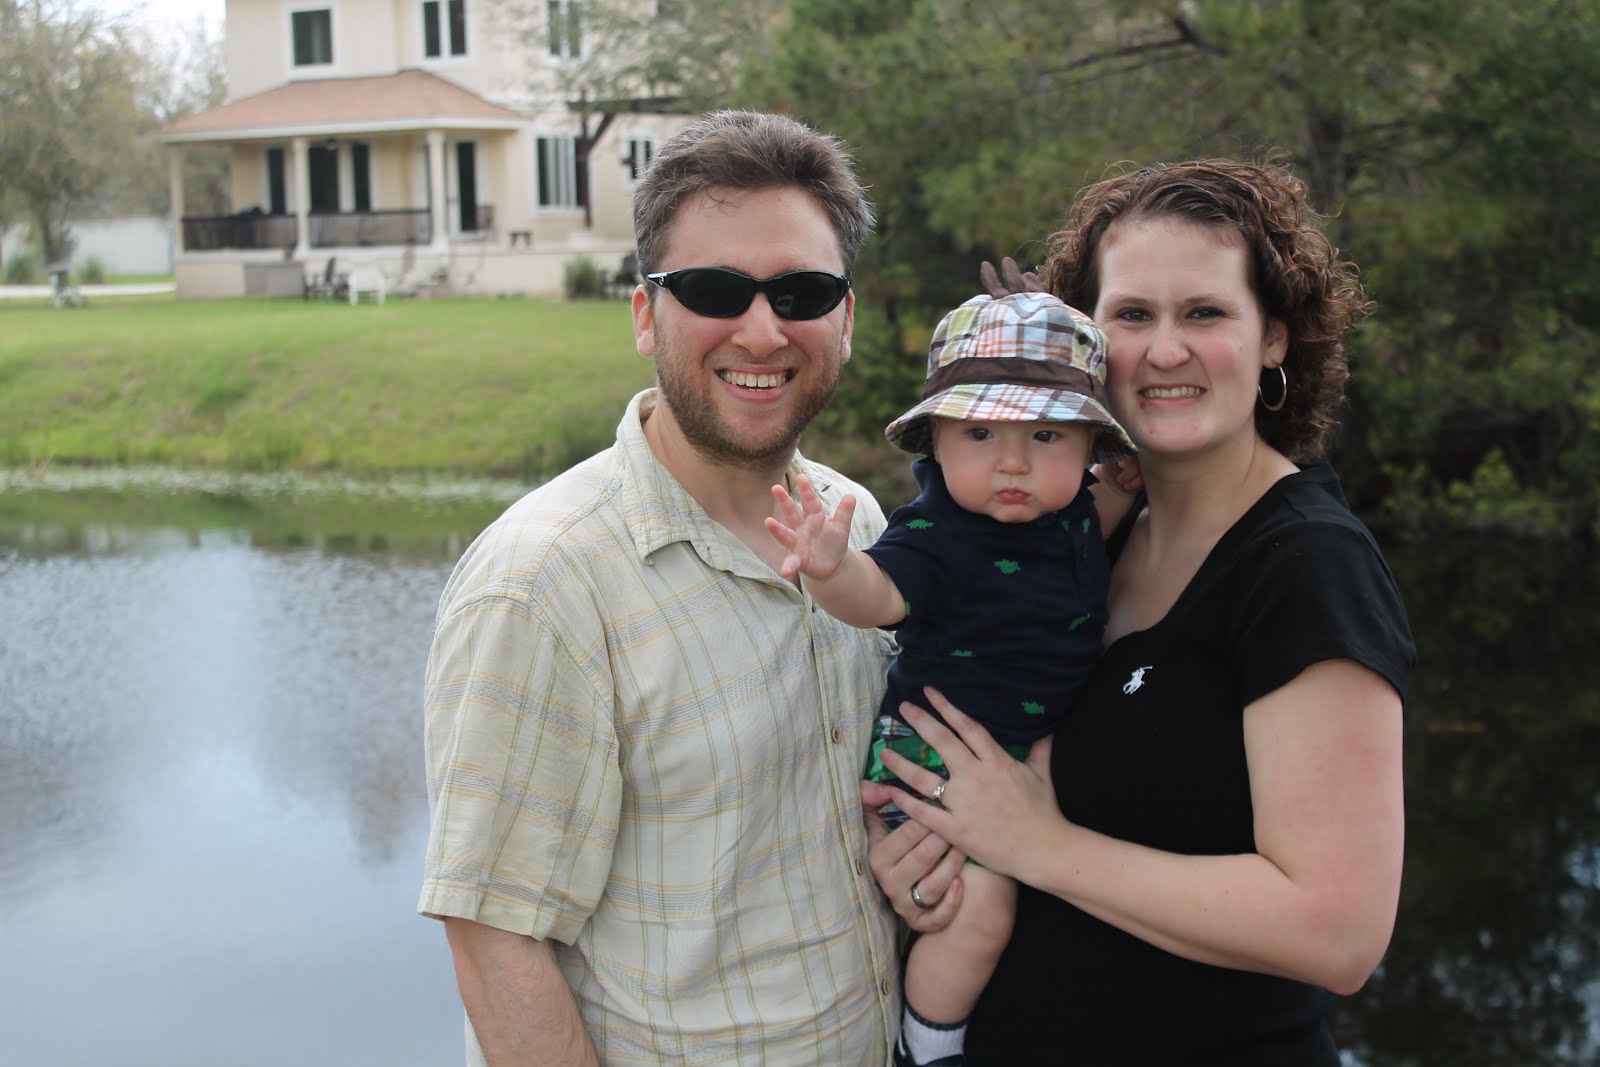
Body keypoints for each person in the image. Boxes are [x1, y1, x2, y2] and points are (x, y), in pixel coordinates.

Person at [863, 158, 1417, 1065]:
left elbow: (1338, 932)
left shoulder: (1307, 566)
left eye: (1204, 313)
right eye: (1131, 316)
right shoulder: (1080, 528)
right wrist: (927, 854)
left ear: (1273, 339)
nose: (1164, 351)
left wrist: (1039, 845)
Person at [418, 110, 903, 1066]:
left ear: (844, 318)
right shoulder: (542, 582)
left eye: (802, 291)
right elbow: (497, 939)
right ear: (645, 314)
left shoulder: (859, 527)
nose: (762, 329)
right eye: (716, 289)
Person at [765, 290, 1135, 1067]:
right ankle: (929, 1045)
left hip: (1015, 751)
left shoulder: (1075, 509)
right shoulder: (939, 534)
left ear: (1090, 446)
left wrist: (1129, 483)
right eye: (980, 433)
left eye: (1046, 435)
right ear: (936, 439)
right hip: (933, 756)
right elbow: (879, 597)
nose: (1013, 461)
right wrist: (832, 570)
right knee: (980, 908)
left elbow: (1088, 532)